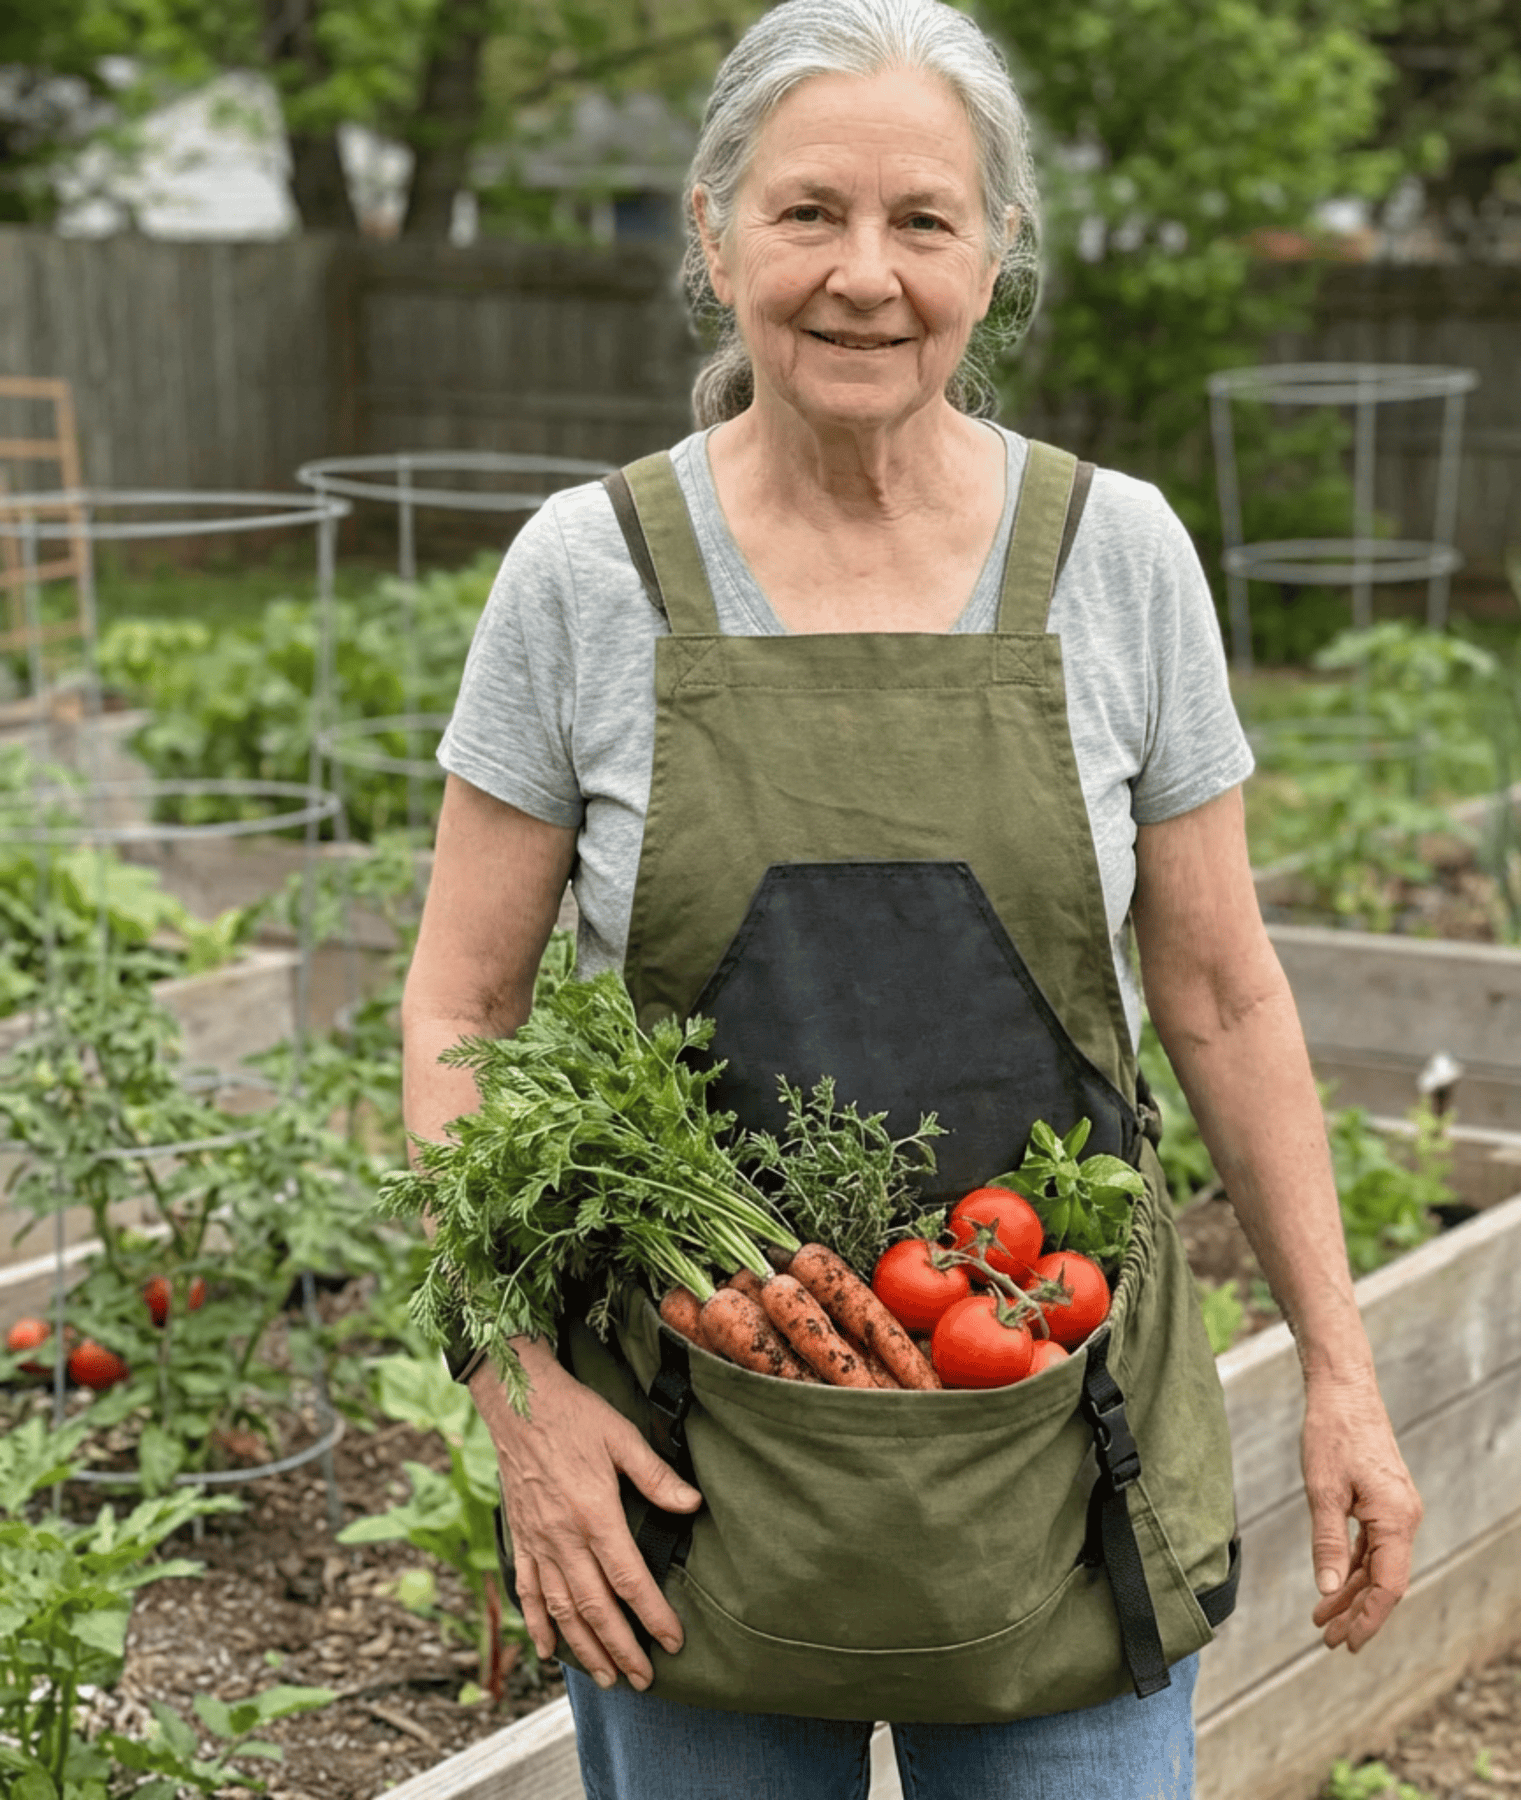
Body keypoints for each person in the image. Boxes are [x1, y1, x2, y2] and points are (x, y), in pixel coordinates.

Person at [401, 0, 1422, 1794]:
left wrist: (1343, 1373)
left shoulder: (1120, 559)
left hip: (1059, 1433)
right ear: (713, 239)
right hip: (684, 1473)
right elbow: (458, 1015)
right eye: (808, 213)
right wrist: (519, 1399)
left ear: (996, 253)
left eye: (922, 221)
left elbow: (1226, 994)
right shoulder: (587, 573)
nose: (862, 275)